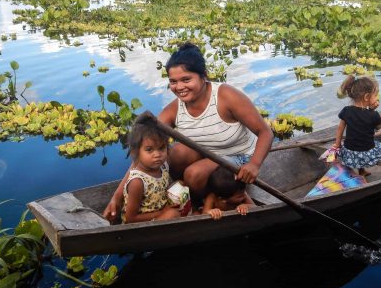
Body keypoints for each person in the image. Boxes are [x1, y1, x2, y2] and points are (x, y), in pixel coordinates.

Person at [103, 43, 273, 222]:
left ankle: (203, 205)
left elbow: (265, 132)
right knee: (172, 152)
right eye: (173, 82)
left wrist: (254, 164)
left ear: (203, 76)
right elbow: (142, 155)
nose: (179, 87)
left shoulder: (226, 96)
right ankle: (191, 198)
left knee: (194, 174)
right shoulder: (174, 109)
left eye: (186, 79)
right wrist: (117, 196)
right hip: (205, 156)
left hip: (238, 158)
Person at [331, 75, 381, 177]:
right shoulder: (373, 115)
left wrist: (337, 145)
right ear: (366, 97)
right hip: (366, 156)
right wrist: (372, 110)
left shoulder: (346, 110)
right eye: (375, 95)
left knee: (356, 140)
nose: (377, 98)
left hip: (349, 154)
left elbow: (340, 128)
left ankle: (362, 171)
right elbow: (378, 127)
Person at [120, 119, 180, 223]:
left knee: (180, 184)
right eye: (149, 150)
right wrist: (163, 212)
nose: (157, 155)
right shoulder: (137, 182)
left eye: (161, 148)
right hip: (142, 225)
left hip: (160, 209)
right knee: (173, 214)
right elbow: (130, 218)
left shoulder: (163, 166)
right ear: (136, 151)